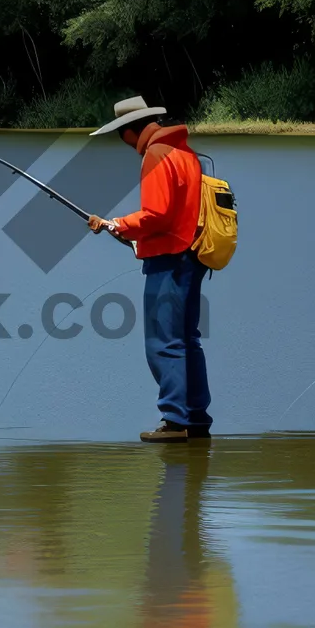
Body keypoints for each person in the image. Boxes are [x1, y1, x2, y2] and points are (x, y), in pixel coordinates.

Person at [88, 96, 212, 443]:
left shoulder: (156, 154)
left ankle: (174, 421)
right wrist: (122, 228)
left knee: (162, 342)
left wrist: (116, 225)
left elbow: (156, 214)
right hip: (193, 256)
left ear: (131, 131)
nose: (123, 142)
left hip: (169, 259)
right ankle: (197, 420)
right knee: (188, 340)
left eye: (119, 134)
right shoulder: (186, 153)